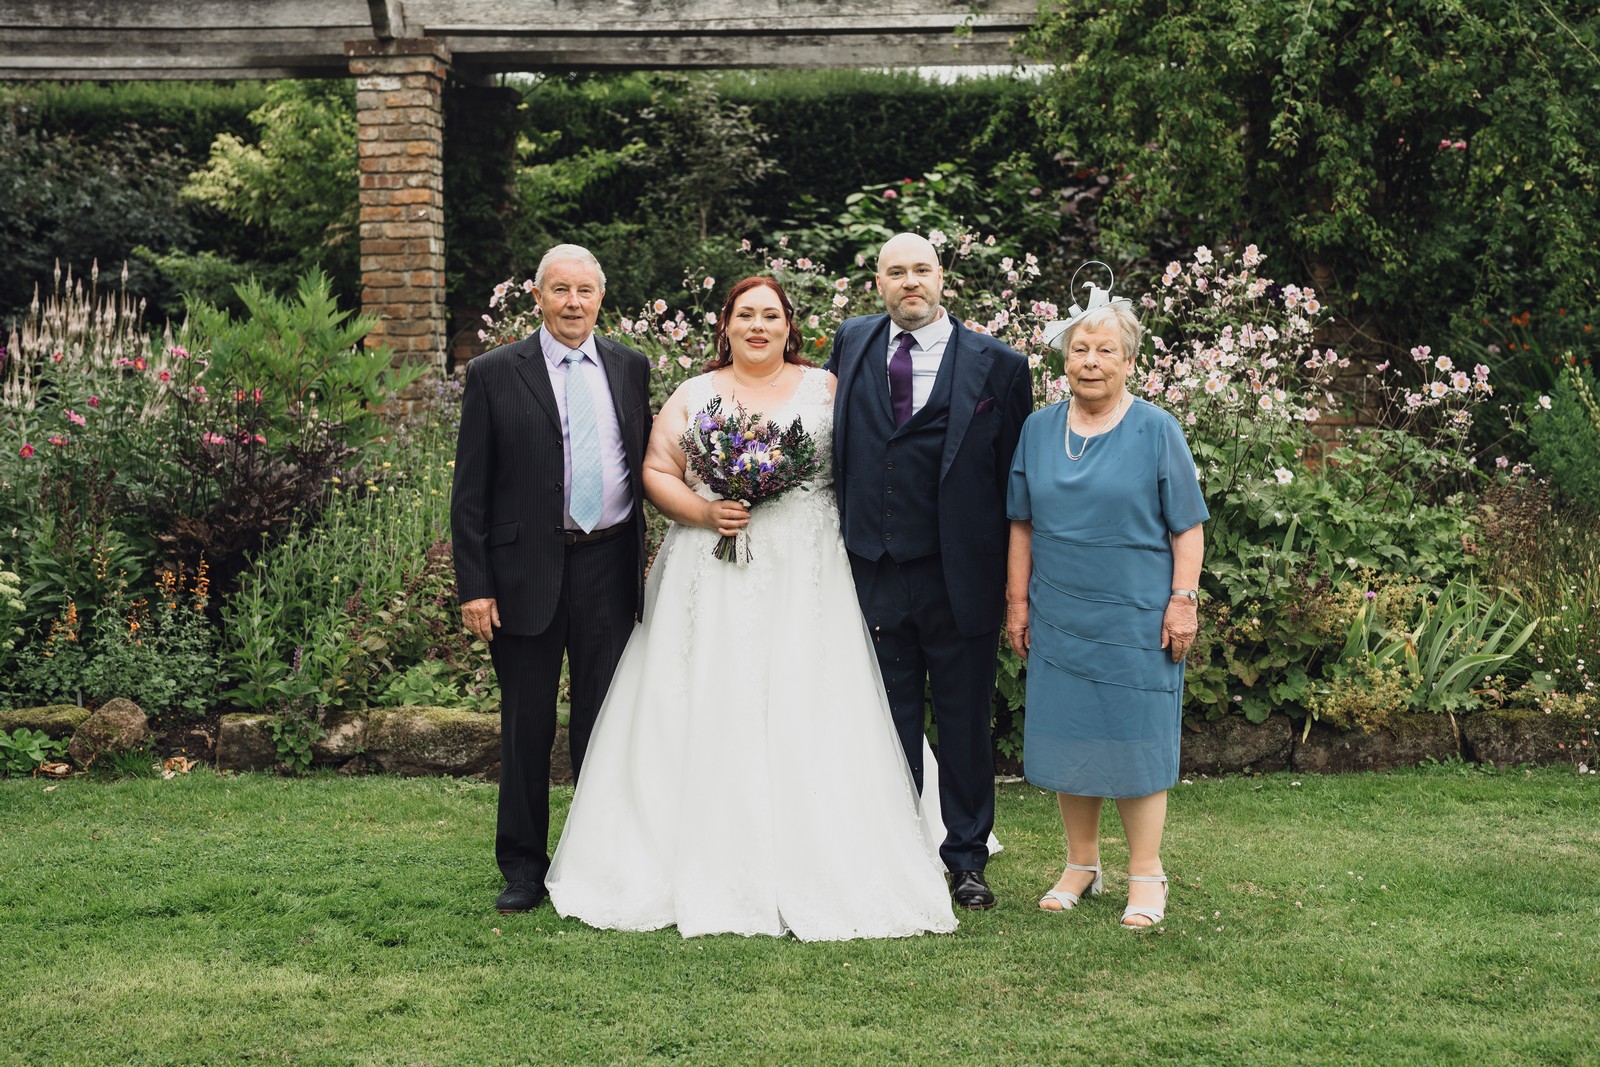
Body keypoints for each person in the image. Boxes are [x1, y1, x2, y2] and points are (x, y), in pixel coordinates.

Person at [545, 277, 957, 941]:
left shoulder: (826, 388)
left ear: (789, 325)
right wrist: (706, 510)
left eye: (771, 314)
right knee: (704, 699)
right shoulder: (695, 393)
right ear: (726, 325)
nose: (758, 326)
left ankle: (828, 847)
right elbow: (657, 470)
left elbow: (867, 461)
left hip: (809, 571)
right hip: (710, 567)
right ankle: (687, 849)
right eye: (746, 315)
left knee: (811, 697)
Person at [825, 232, 1033, 911]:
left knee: (965, 718)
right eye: (895, 272)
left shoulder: (999, 365)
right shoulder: (852, 342)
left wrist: (1014, 587)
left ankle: (967, 859)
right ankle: (893, 849)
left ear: (942, 278)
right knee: (885, 719)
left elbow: (1014, 483)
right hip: (874, 565)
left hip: (960, 573)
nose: (908, 282)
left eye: (920, 270)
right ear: (877, 282)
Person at [450, 244, 652, 915]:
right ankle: (523, 867)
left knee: (604, 724)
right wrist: (475, 585)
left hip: (608, 563)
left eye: (585, 290)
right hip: (522, 571)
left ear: (600, 297)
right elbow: (470, 491)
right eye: (559, 289)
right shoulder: (493, 373)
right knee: (526, 724)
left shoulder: (629, 366)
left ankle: (596, 863)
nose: (573, 302)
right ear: (535, 296)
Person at [1004, 291, 1208, 929]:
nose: (1091, 361)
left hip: (1137, 615)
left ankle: (1147, 873)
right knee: (1071, 735)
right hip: (1058, 610)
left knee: (1135, 738)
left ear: (1129, 361)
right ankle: (1081, 865)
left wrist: (1183, 600)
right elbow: (1022, 524)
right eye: (1080, 350)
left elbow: (1188, 527)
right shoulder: (1038, 429)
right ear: (1065, 358)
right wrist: (1017, 604)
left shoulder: (1156, 429)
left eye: (1106, 351)